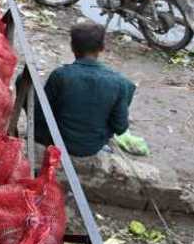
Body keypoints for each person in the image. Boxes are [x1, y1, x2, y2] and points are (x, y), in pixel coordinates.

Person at [34, 21, 135, 158]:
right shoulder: (121, 83)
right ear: (102, 48)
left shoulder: (60, 75)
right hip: (91, 147)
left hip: (56, 140)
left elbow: (41, 113)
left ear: (72, 47)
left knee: (23, 79)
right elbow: (120, 127)